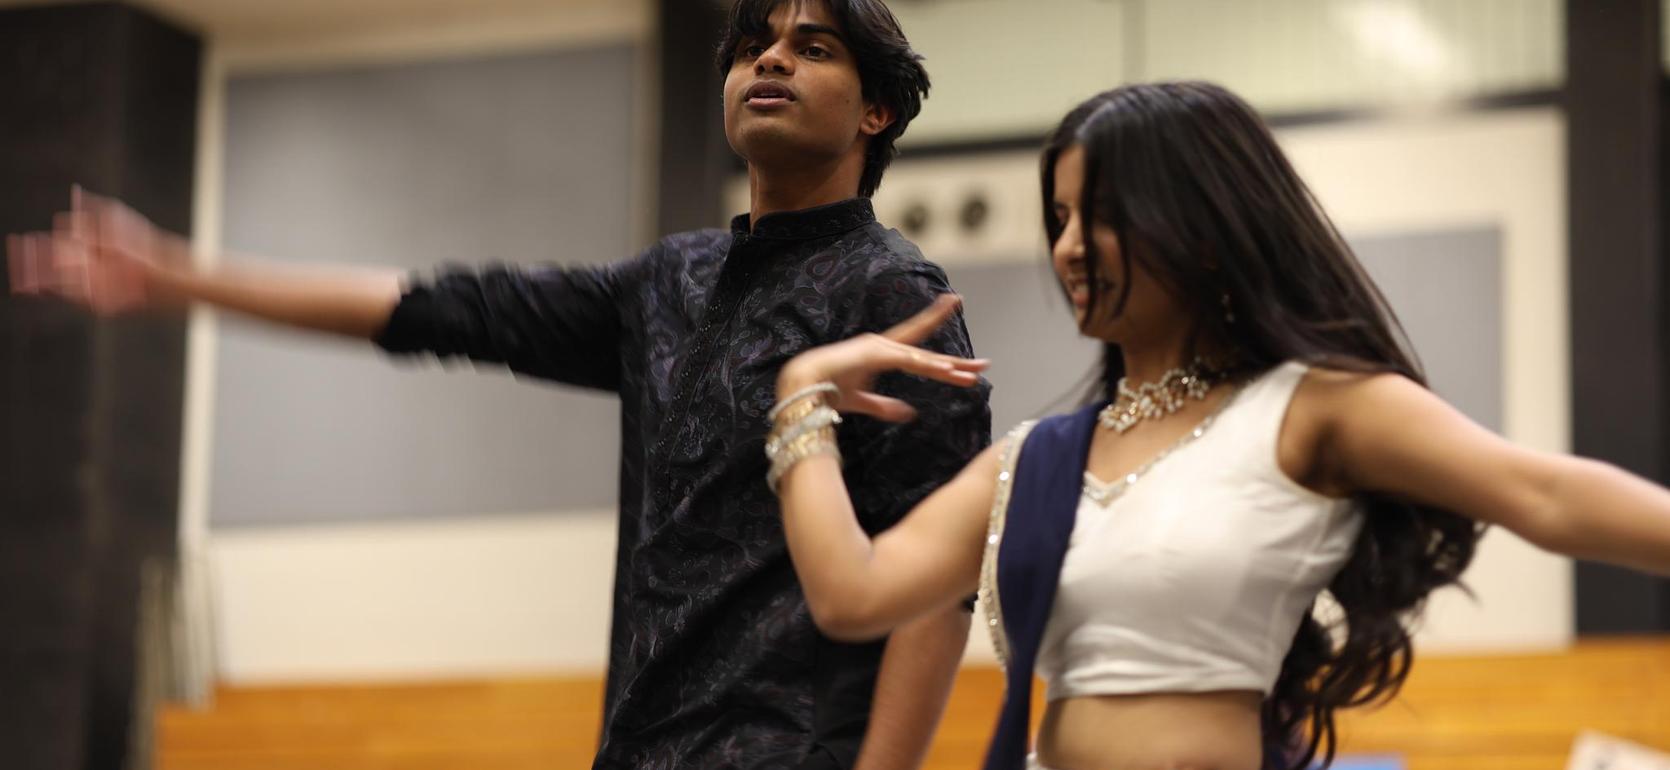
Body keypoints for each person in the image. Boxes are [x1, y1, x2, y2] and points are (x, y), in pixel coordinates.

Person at [6, 1, 991, 768]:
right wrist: (179, 277)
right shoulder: (671, 280)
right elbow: (441, 309)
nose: (768, 60)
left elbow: (934, 590)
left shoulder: (890, 290)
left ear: (876, 109)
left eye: (811, 47)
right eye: (750, 45)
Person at [761, 81, 1670, 770]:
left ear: (1202, 227)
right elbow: (854, 594)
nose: (1068, 246)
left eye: (1101, 215)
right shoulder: (1036, 460)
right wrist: (800, 397)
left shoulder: (1311, 408)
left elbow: (1546, 494)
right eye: (1060, 217)